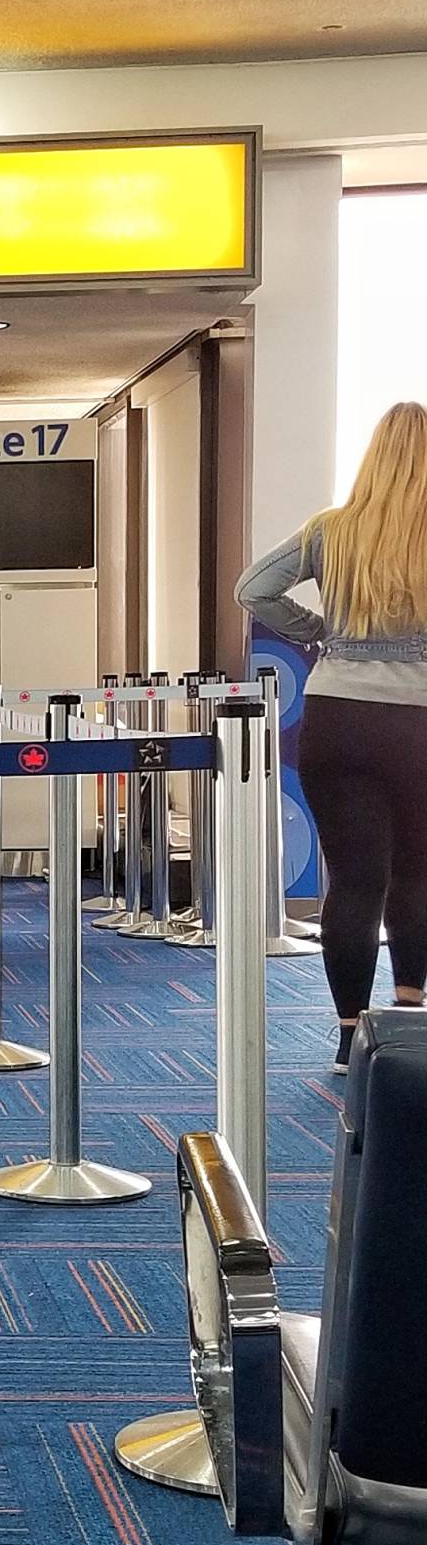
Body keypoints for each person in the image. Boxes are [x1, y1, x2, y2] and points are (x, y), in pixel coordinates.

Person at [238, 400, 427, 1066]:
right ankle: (408, 1024)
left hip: (339, 717)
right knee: (417, 875)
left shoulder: (332, 530)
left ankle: (350, 1035)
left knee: (353, 880)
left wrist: (320, 632)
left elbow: (253, 589)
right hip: (419, 722)